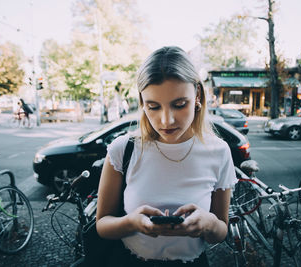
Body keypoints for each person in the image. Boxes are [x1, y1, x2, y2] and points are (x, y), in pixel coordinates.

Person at [96, 46, 235, 266]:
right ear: (142, 102)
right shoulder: (123, 149)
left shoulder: (218, 152)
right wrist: (131, 223)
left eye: (179, 105)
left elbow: (221, 231)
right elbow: (102, 224)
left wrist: (208, 223)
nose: (166, 120)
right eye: (153, 107)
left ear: (197, 95)